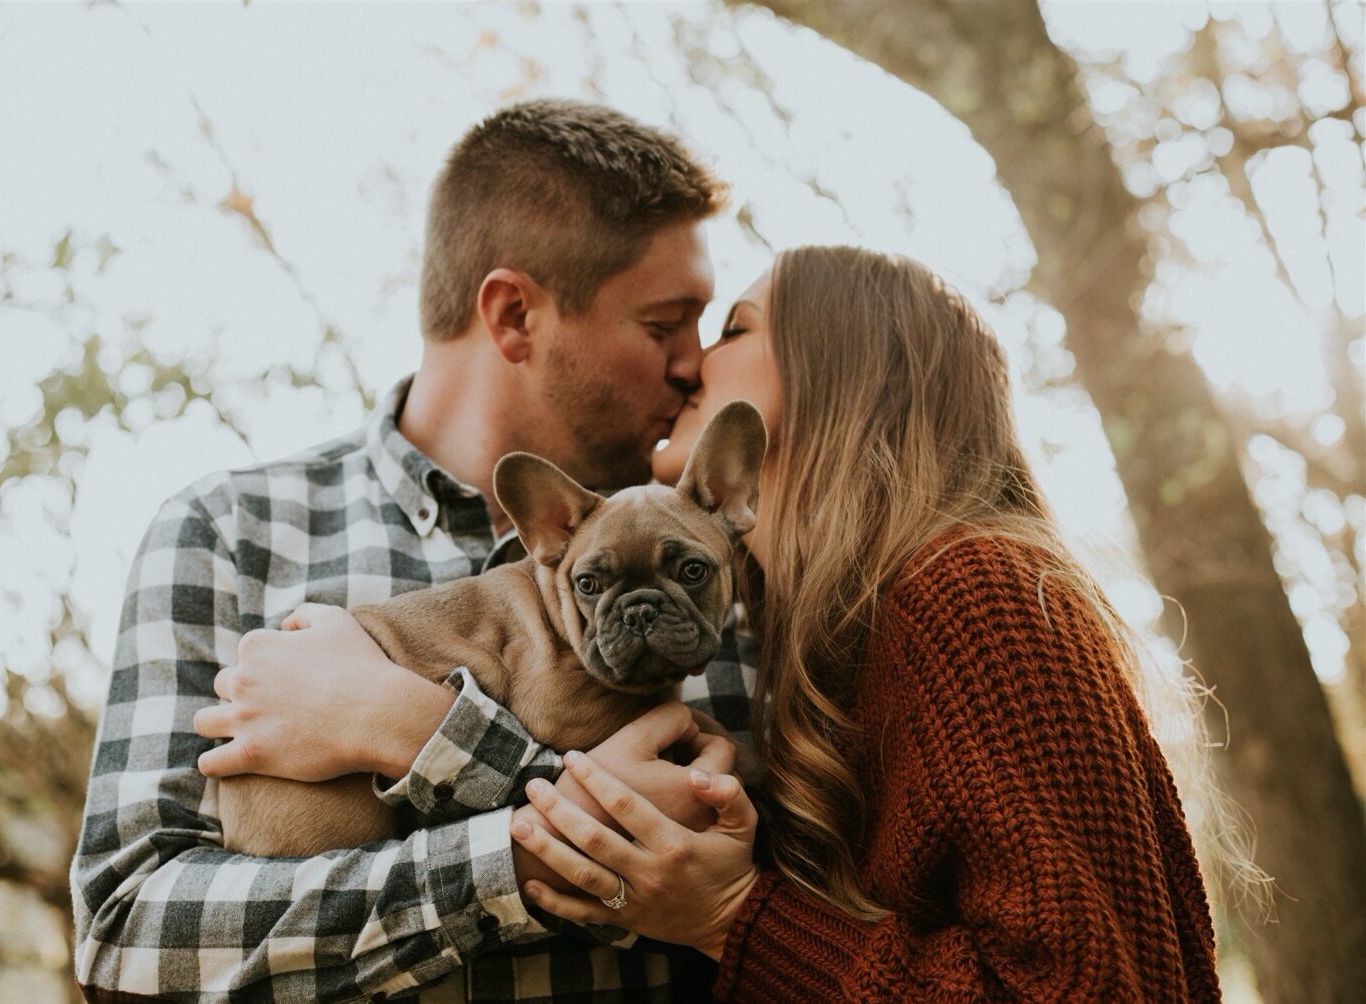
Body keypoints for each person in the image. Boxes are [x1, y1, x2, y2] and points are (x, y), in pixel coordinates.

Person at [70, 98, 755, 1002]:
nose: (695, 364)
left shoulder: (737, 552)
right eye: (666, 324)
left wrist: (407, 728)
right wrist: (514, 851)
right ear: (514, 316)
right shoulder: (234, 535)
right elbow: (128, 935)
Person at [507, 246, 1223, 1001]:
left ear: (842, 368)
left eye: (734, 331)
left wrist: (733, 915)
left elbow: (1083, 989)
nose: (687, 365)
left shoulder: (976, 597)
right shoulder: (821, 628)